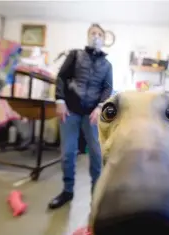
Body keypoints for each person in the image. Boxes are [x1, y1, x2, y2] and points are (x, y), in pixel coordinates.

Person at [48, 23, 113, 209]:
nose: (96, 36)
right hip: (70, 111)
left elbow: (107, 88)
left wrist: (100, 106)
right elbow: (61, 77)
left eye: (100, 34)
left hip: (92, 114)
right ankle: (67, 191)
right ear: (87, 36)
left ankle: (96, 193)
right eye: (93, 33)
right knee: (68, 153)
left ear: (104, 39)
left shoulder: (107, 65)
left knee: (96, 153)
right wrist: (59, 100)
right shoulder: (75, 55)